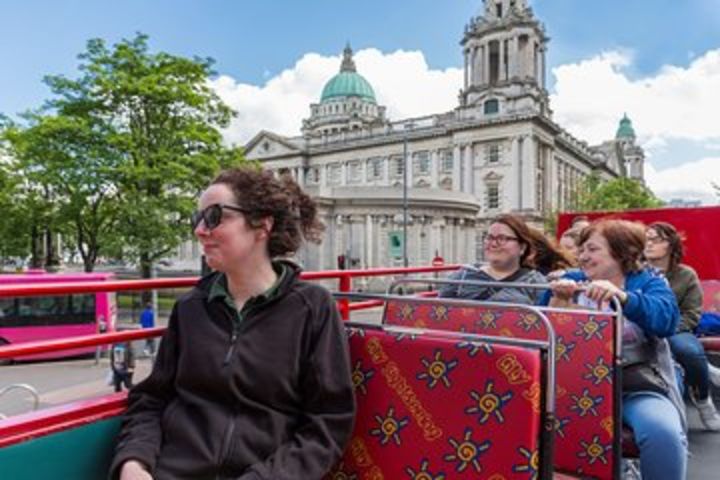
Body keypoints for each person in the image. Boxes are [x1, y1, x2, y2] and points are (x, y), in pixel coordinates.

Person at [111, 167, 356, 480]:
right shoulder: (191, 307)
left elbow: (327, 422)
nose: (200, 230)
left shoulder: (313, 308)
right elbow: (152, 398)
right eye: (196, 219)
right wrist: (134, 462)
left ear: (262, 225)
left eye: (215, 216)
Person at [542, 219, 687, 480]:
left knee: (662, 433)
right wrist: (558, 300)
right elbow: (541, 334)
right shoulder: (570, 281)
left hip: (634, 386)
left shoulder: (649, 281)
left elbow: (666, 322)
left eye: (592, 249)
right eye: (582, 249)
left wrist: (623, 297)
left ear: (623, 253)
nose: (583, 256)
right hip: (572, 388)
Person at [644, 221, 720, 430]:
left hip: (675, 328)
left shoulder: (686, 275)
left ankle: (704, 402)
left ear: (670, 245)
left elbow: (692, 313)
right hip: (641, 329)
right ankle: (706, 370)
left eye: (655, 239)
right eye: (646, 239)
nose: (648, 244)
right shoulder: (637, 272)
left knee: (689, 350)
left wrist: (666, 329)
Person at [439, 214, 546, 304]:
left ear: (522, 247)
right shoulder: (462, 277)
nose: (493, 244)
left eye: (502, 238)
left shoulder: (534, 282)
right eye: (489, 238)